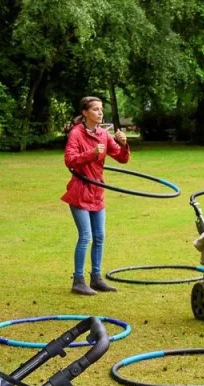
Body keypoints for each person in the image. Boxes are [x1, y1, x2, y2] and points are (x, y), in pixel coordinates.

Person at [61, 96, 131, 295]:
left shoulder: (103, 134)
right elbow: (69, 160)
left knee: (99, 236)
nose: (100, 112)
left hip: (97, 192)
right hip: (80, 191)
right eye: (95, 109)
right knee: (86, 237)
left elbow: (122, 159)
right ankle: (78, 280)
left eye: (101, 109)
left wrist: (124, 144)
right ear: (85, 113)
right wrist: (91, 153)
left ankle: (97, 278)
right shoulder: (76, 133)